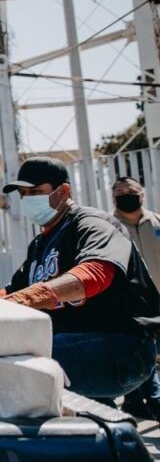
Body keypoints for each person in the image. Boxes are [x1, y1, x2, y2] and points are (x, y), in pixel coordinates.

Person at [0, 157, 160, 403]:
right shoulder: (40, 244)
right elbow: (10, 291)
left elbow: (95, 274)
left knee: (21, 365)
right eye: (23, 193)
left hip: (121, 347)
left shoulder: (91, 224)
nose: (28, 199)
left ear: (63, 191)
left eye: (36, 192)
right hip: (80, 345)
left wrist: (23, 300)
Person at [112, 177, 160, 417]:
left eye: (130, 191)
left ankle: (137, 400)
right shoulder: (109, 226)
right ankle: (148, 398)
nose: (124, 195)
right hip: (133, 303)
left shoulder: (157, 222)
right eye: (119, 192)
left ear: (142, 194)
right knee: (143, 349)